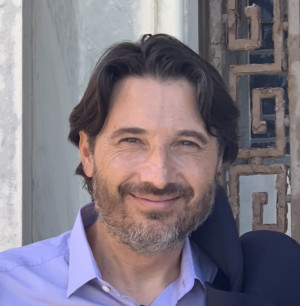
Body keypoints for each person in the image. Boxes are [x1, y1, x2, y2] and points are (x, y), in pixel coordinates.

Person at [0, 34, 299, 306]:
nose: (158, 177)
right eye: (132, 141)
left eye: (187, 144)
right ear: (87, 153)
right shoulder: (9, 289)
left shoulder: (260, 291)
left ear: (218, 160)